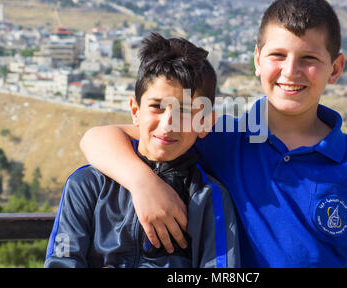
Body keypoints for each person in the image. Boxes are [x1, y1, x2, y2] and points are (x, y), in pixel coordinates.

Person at [79, 0, 347, 268]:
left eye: (309, 58)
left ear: (335, 68)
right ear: (257, 60)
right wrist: (143, 183)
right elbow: (98, 138)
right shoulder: (218, 132)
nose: (290, 71)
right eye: (277, 55)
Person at [44, 33, 240, 268]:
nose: (168, 124)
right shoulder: (87, 185)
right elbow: (62, 261)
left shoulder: (208, 198)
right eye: (157, 107)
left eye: (185, 111)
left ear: (205, 122)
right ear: (135, 111)